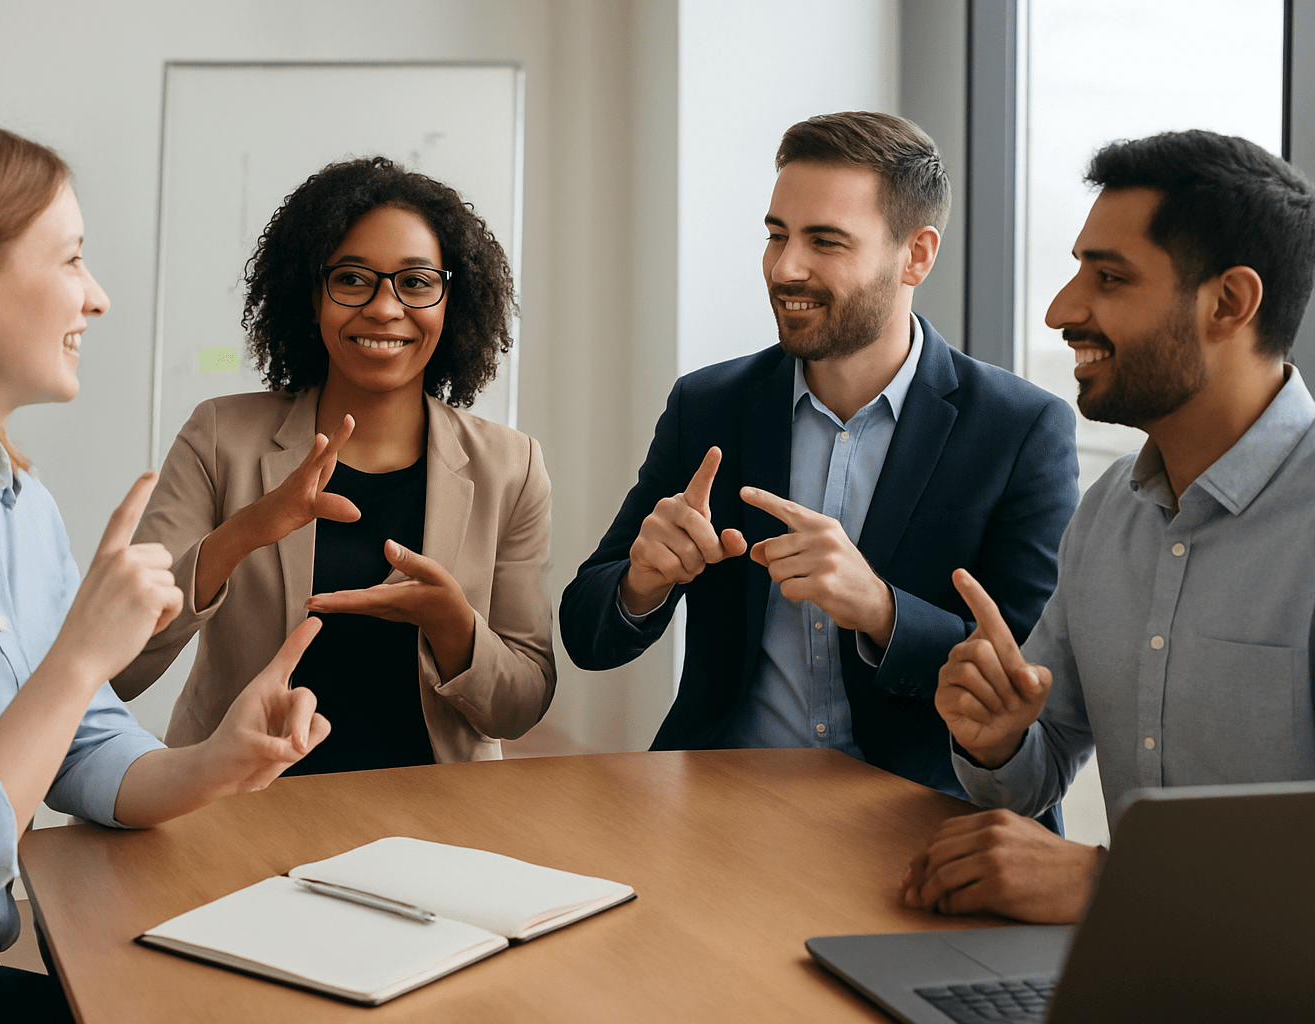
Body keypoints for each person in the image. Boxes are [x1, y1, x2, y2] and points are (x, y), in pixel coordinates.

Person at [0, 112, 332, 1023]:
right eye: (72, 259)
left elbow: (79, 746)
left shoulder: (19, 508)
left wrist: (213, 763)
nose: (97, 298)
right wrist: (78, 660)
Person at [558, 111, 1078, 804]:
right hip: (723, 804)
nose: (786, 268)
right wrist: (640, 584)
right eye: (777, 236)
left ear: (917, 255)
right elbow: (586, 637)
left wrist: (883, 611)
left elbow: (1031, 681)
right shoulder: (708, 405)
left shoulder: (1021, 429)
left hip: (919, 814)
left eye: (824, 241)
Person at [903, 130, 1315, 924]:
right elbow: (1042, 765)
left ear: (1229, 303)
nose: (1061, 310)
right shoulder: (1108, 513)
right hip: (1134, 965)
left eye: (1110, 277)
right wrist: (997, 740)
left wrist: (1106, 885)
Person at [111, 157, 554, 771]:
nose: (384, 308)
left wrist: (454, 625)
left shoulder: (511, 467)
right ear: (310, 294)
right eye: (351, 279)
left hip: (438, 808)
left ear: (452, 301)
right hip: (238, 797)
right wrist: (242, 534)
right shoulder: (219, 437)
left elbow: (522, 707)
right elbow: (121, 667)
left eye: (416, 282)